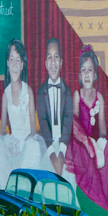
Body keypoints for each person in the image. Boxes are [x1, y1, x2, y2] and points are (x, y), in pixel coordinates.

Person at [67, 45, 108, 212]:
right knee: (87, 163)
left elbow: (102, 126)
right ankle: (95, 202)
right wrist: (87, 142)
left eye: (90, 70)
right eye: (83, 71)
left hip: (96, 140)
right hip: (82, 141)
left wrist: (102, 141)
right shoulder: (77, 95)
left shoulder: (99, 98)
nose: (87, 74)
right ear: (80, 76)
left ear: (95, 75)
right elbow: (75, 123)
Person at [0, 40, 45, 190]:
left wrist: (23, 143)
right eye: (11, 60)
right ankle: (4, 188)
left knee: (34, 147)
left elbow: (33, 130)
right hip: (13, 141)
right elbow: (2, 133)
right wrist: (9, 141)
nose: (14, 64)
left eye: (17, 61)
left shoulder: (28, 91)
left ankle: (26, 188)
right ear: (7, 64)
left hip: (27, 141)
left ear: (22, 65)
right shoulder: (5, 94)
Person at [36, 38, 73, 176]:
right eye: (49, 57)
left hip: (64, 144)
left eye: (56, 57)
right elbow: (43, 122)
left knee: (68, 174)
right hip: (47, 145)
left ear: (61, 62)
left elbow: (68, 121)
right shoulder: (41, 92)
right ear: (45, 63)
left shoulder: (67, 92)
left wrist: (61, 153)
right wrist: (52, 154)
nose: (53, 62)